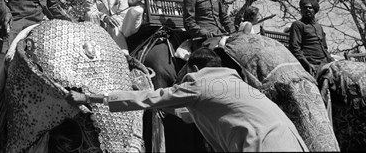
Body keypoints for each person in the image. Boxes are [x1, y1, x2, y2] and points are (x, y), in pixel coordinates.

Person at [66, 48, 308, 152]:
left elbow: (146, 97)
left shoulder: (200, 83)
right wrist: (165, 110)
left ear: (192, 67)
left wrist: (89, 96)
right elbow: (192, 116)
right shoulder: (235, 85)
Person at [289, 0, 333, 76]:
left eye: (310, 7)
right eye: (305, 8)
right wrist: (307, 64)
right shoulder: (298, 25)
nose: (307, 9)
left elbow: (325, 48)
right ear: (301, 10)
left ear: (314, 10)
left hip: (325, 62)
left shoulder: (319, 27)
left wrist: (330, 60)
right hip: (310, 63)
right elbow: (294, 48)